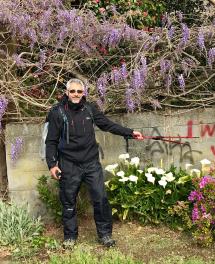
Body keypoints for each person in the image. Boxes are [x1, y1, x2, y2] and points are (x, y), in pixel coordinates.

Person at [45, 78, 143, 249]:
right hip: (69, 164)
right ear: (67, 93)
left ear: (83, 93)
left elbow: (107, 125)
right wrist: (52, 164)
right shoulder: (57, 112)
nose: (76, 94)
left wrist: (130, 132)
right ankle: (70, 237)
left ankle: (105, 235)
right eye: (73, 91)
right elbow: (51, 141)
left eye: (79, 91)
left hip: (91, 163)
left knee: (100, 199)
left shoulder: (90, 109)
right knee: (68, 202)